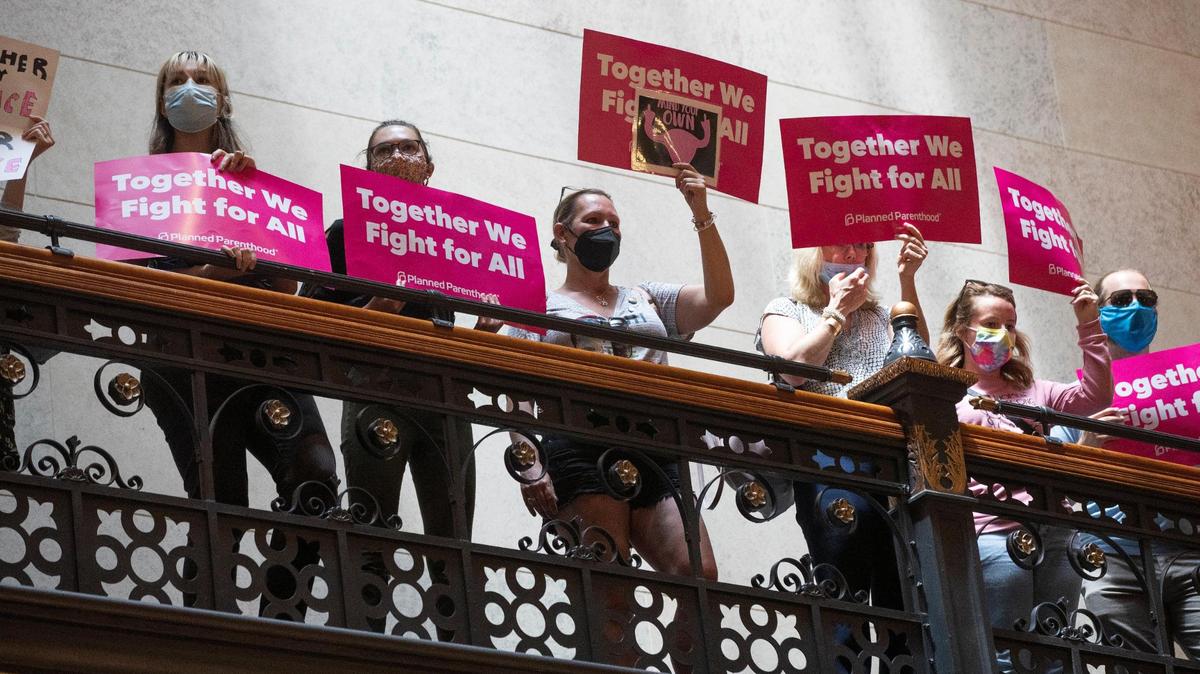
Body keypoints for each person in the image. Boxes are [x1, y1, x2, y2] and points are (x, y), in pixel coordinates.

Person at [135, 51, 338, 619]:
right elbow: (145, 290)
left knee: (316, 473)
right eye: (177, 82)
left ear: (223, 100)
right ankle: (208, 626)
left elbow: (288, 290)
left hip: (261, 355)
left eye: (203, 81)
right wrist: (218, 269)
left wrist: (266, 234)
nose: (190, 89)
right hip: (185, 360)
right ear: (162, 101)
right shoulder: (141, 188)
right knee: (221, 504)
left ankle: (281, 614)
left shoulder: (250, 181)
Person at [506, 165, 733, 585]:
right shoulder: (536, 305)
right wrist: (530, 466)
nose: (606, 229)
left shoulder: (646, 296)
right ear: (562, 233)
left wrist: (701, 211)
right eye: (593, 221)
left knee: (699, 575)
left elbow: (719, 297)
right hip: (579, 443)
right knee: (610, 585)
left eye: (614, 223)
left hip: (656, 446)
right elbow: (516, 393)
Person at [754, 227, 928, 670]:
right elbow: (791, 371)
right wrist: (833, 315)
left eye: (864, 246)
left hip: (891, 463)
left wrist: (907, 282)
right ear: (816, 252)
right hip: (829, 458)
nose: (852, 253)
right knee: (842, 590)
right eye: (841, 242)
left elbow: (921, 367)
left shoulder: (881, 315)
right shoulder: (786, 309)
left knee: (902, 599)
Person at [937, 279, 1112, 673]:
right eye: (991, 322)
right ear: (964, 330)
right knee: (1006, 652)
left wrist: (1089, 325)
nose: (1003, 334)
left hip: (1055, 530)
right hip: (996, 532)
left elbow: (1095, 398)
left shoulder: (1035, 389)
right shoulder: (947, 392)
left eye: (1011, 324)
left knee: (1057, 651)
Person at [1049, 270, 1199, 659]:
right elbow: (1058, 487)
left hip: (1190, 546)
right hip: (1114, 555)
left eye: (1146, 299)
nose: (1136, 307)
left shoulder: (1190, 388)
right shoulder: (1076, 399)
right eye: (1121, 300)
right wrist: (1087, 440)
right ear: (1098, 312)